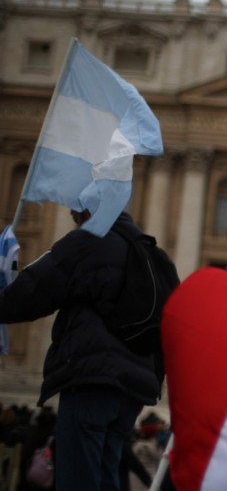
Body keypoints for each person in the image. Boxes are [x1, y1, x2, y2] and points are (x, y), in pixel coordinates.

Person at [0, 210, 168, 490]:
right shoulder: (151, 252)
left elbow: (36, 289)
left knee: (78, 479)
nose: (71, 216)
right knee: (105, 477)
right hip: (132, 393)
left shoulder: (89, 240)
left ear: (88, 210)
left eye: (75, 210)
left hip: (92, 380)